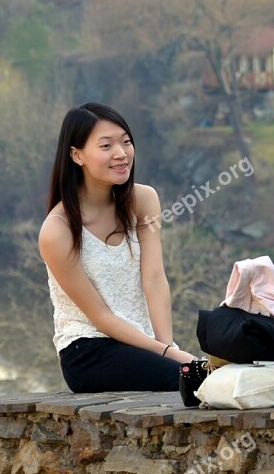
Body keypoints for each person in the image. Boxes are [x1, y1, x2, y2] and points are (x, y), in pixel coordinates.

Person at [38, 102, 197, 393]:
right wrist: (168, 355)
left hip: (141, 345)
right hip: (88, 351)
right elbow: (101, 316)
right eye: (106, 145)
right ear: (77, 155)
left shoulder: (143, 200)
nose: (121, 154)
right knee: (194, 381)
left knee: (202, 372)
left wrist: (167, 345)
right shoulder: (57, 231)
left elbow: (154, 279)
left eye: (126, 141)